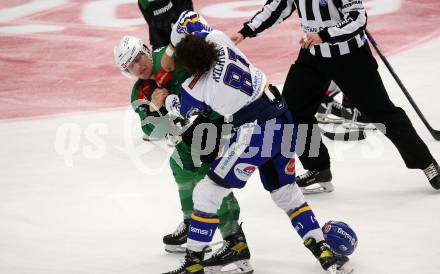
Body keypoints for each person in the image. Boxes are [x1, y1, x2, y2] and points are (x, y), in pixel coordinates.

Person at [164, 11, 352, 274]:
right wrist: (178, 41)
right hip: (283, 115)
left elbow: (176, 109)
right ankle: (325, 253)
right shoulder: (219, 39)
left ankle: (193, 264)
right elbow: (191, 18)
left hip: (256, 130)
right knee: (287, 193)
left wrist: (164, 98)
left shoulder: (194, 88)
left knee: (207, 192)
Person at [230, 0, 440, 191]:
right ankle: (318, 168)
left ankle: (427, 163)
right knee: (293, 111)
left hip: (350, 58)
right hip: (313, 56)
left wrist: (324, 35)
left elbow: (358, 18)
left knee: (382, 112)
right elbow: (277, 7)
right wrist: (245, 31)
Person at [113, 36, 253, 272]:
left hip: (214, 120)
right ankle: (192, 223)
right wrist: (156, 110)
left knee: (209, 179)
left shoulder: (172, 59)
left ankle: (234, 240)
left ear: (147, 51)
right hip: (188, 133)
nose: (139, 66)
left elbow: (210, 68)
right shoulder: (139, 92)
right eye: (131, 65)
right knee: (180, 167)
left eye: (138, 57)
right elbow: (151, 131)